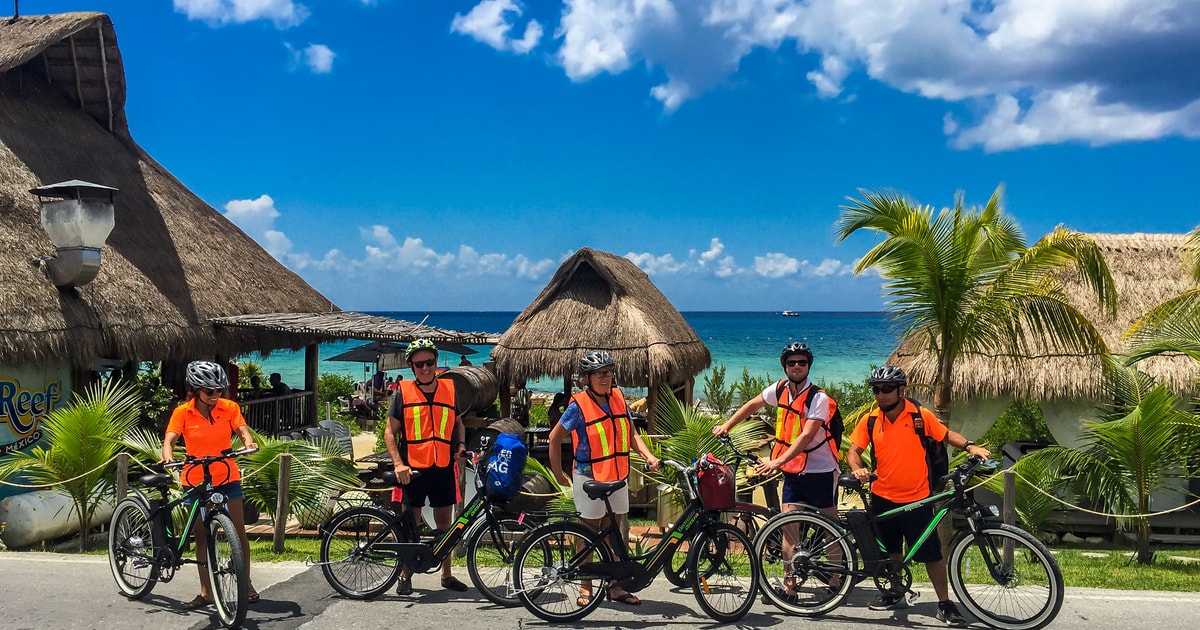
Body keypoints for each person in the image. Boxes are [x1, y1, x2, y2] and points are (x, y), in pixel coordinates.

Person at [846, 364, 990, 627]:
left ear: (902, 390)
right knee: (891, 551)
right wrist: (858, 468)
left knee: (932, 554)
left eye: (887, 389)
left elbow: (946, 435)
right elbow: (853, 450)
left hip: (917, 498)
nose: (881, 394)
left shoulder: (919, 416)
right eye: (876, 389)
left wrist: (970, 446)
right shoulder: (870, 420)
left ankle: (945, 604)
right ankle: (895, 592)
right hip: (882, 496)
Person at [713, 342, 842, 594]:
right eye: (791, 362)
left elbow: (806, 436)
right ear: (784, 366)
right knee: (788, 528)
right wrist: (726, 426)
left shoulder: (819, 398)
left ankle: (837, 580)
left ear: (808, 366)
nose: (796, 366)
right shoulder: (781, 389)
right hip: (793, 470)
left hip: (821, 471)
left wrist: (776, 462)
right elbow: (752, 404)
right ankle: (789, 584)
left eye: (802, 362)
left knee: (831, 528)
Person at [548, 350, 661, 607]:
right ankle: (585, 587)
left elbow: (631, 433)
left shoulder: (618, 398)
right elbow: (554, 439)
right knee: (588, 532)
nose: (606, 377)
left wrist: (648, 456)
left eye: (609, 372)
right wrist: (558, 474)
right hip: (589, 477)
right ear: (587, 378)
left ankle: (616, 587)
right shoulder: (578, 406)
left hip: (617, 475)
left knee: (614, 533)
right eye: (600, 373)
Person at [162, 360, 260, 611]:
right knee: (203, 536)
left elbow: (242, 430)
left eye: (219, 390)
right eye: (209, 392)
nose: (215, 396)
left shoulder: (229, 408)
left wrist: (248, 443)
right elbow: (170, 439)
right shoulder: (183, 412)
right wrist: (168, 456)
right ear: (195, 390)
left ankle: (245, 583)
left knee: (238, 532)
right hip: (195, 479)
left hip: (226, 475)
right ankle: (206, 592)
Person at [383, 339, 468, 595]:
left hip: (442, 465)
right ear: (411, 366)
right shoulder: (403, 392)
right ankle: (404, 575)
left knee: (446, 523)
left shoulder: (449, 390)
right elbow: (389, 432)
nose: (425, 368)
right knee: (412, 524)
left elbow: (458, 423)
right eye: (419, 364)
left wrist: (461, 444)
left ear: (436, 362)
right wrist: (398, 464)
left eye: (429, 362)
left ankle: (446, 574)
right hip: (413, 469)